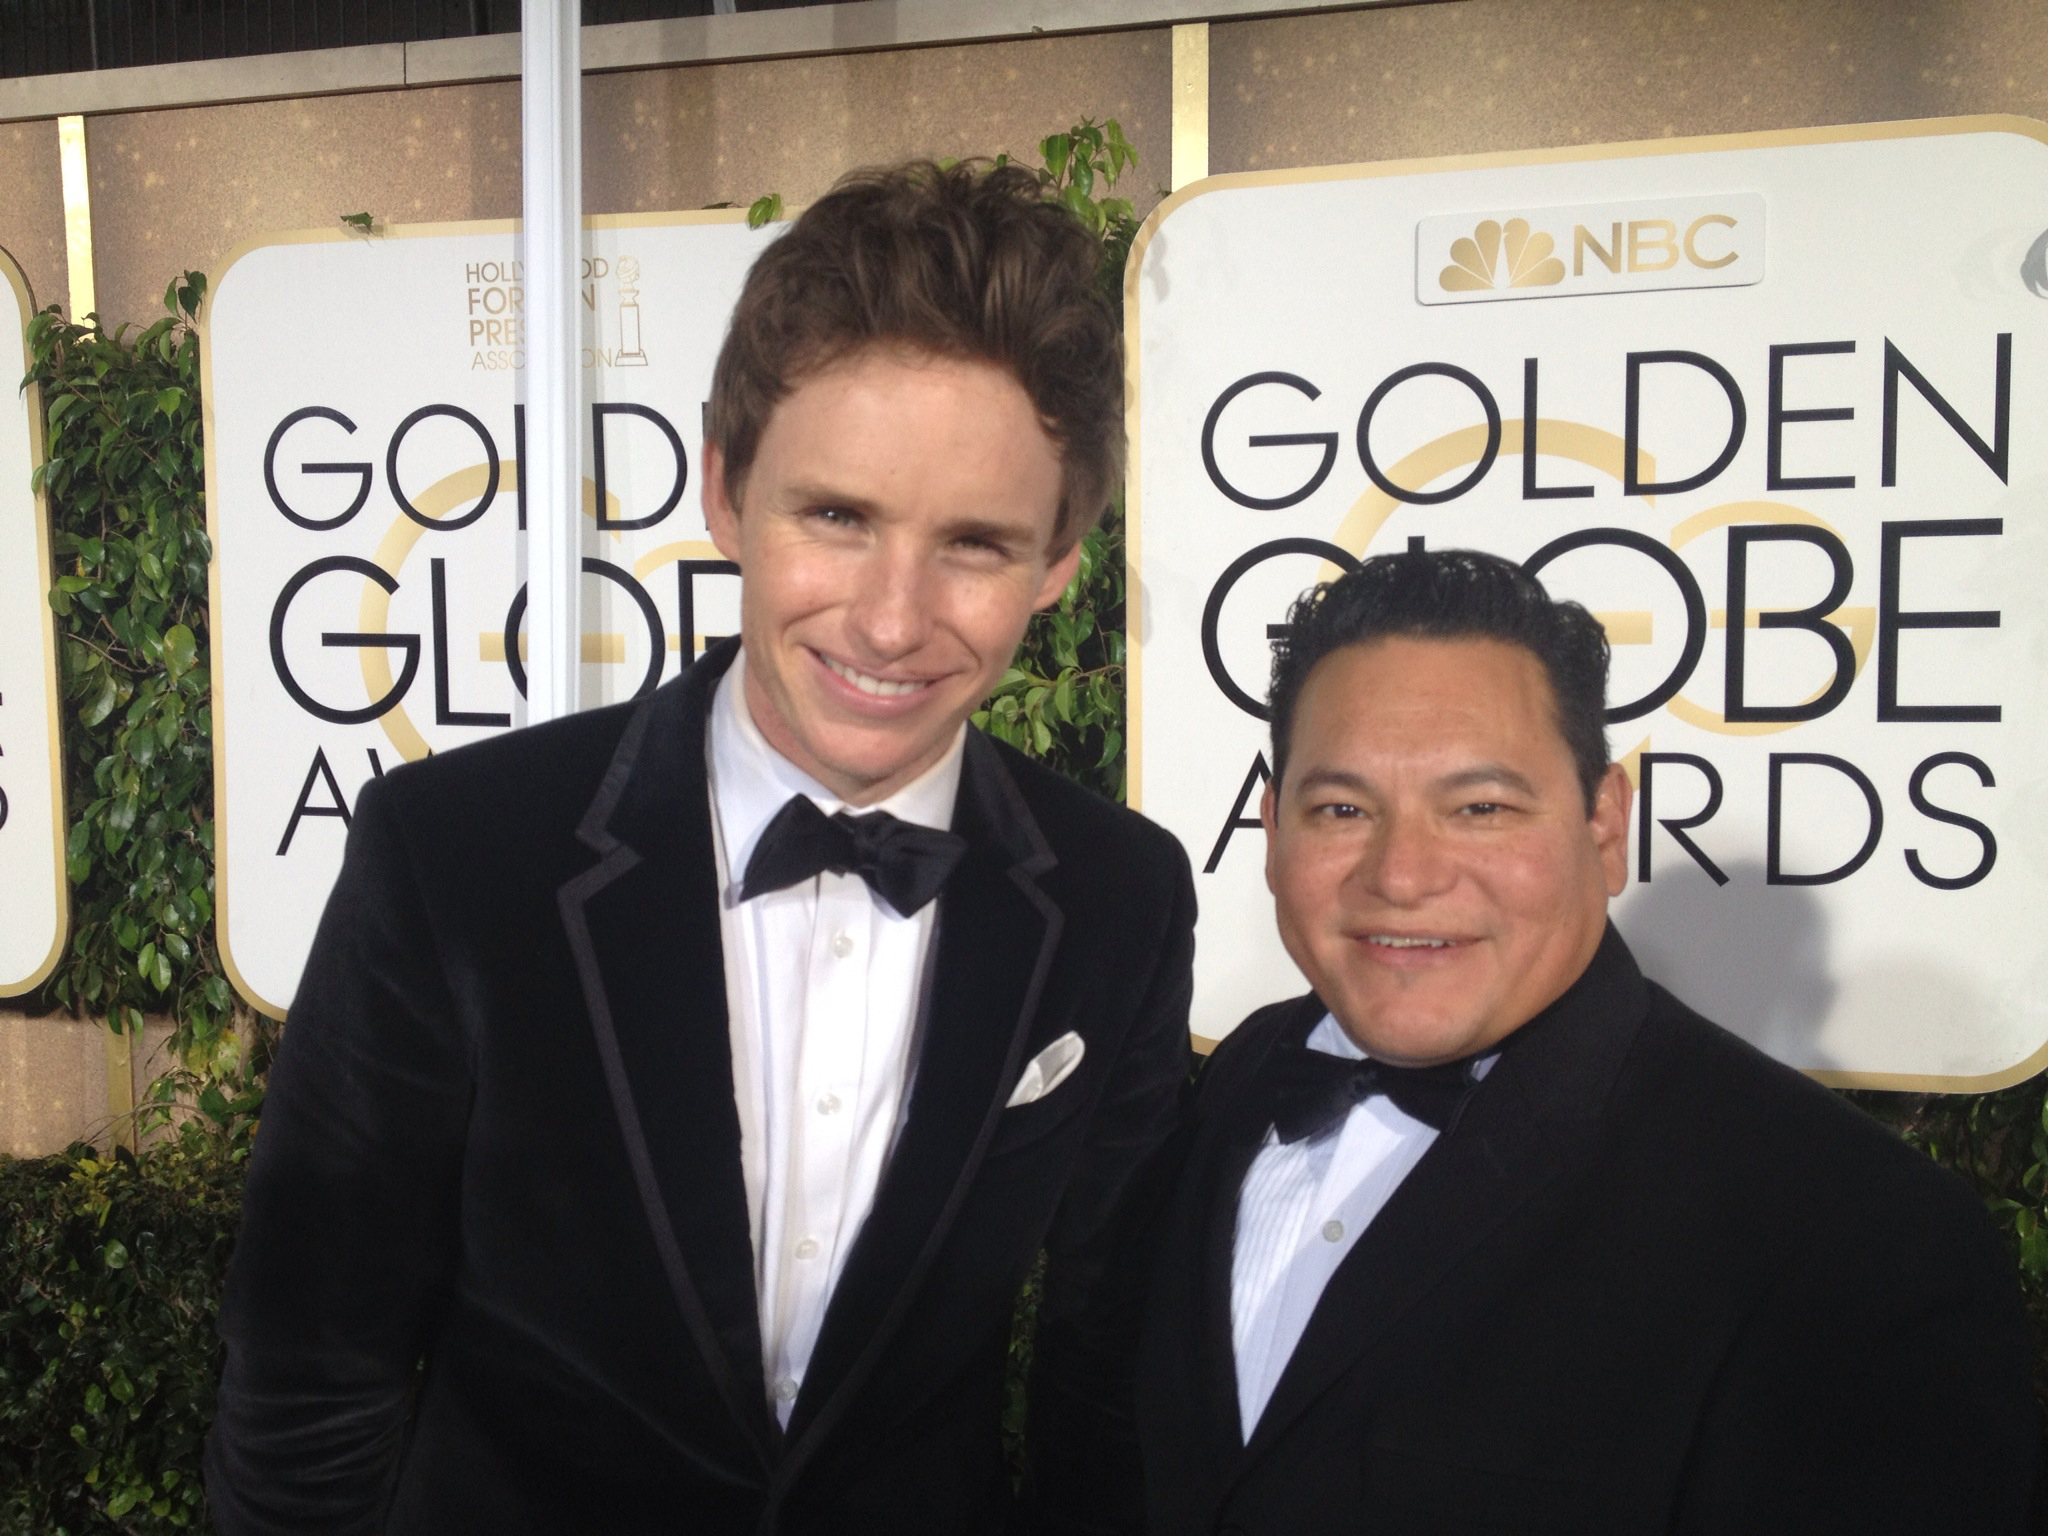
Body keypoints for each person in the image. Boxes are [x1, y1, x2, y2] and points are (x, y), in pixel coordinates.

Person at [206, 161, 1195, 1535]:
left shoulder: (1117, 897)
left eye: (975, 543)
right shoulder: (454, 853)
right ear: (727, 493)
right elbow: (312, 1369)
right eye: (837, 517)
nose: (893, 621)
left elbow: (1106, 1392)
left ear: (1061, 560)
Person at [1135, 548, 2038, 1534]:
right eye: (1341, 809)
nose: (1400, 874)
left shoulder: (1856, 1247)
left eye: (1478, 808)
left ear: (1603, 826)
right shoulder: (1240, 1079)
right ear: (1270, 832)